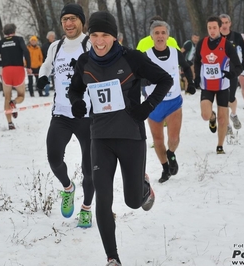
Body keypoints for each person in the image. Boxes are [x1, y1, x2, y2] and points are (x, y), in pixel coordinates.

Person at [68, 11, 173, 266]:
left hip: (130, 136)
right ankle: (112, 258)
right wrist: (76, 104)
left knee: (134, 201)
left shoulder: (132, 58)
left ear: (115, 37)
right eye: (94, 35)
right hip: (100, 137)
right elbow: (74, 90)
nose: (99, 41)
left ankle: (143, 187)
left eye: (105, 35)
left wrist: (147, 107)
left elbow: (165, 80)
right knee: (103, 199)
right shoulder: (84, 61)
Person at [36, 3, 95, 228]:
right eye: (65, 20)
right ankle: (68, 188)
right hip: (61, 113)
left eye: (73, 19)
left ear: (82, 21)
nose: (69, 23)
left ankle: (87, 208)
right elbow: (46, 65)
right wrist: (43, 77)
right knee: (53, 158)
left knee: (90, 169)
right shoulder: (56, 46)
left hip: (87, 115)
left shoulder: (90, 43)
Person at [145, 20, 195, 183]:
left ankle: (171, 153)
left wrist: (191, 83)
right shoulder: (146, 56)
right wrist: (144, 83)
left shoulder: (175, 52)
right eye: (157, 33)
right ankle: (165, 168)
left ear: (167, 35)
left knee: (173, 139)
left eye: (163, 33)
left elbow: (186, 67)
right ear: (152, 36)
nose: (160, 36)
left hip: (173, 101)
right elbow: (137, 76)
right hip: (153, 104)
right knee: (158, 140)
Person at [194, 16, 242, 154]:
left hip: (222, 86)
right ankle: (211, 117)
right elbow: (197, 61)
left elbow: (238, 65)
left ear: (220, 28)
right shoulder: (202, 43)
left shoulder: (226, 44)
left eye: (215, 28)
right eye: (210, 28)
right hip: (207, 85)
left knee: (223, 119)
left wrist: (232, 74)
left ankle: (220, 146)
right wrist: (197, 77)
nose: (212, 30)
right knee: (205, 115)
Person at [0, 23, 31, 130]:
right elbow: (26, 51)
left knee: (6, 98)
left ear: (4, 32)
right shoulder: (19, 39)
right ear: (14, 31)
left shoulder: (0, 43)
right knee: (21, 95)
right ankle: (14, 102)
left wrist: (3, 64)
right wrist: (28, 66)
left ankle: (10, 123)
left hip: (7, 71)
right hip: (18, 69)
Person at [219, 14, 244, 135]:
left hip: (232, 72)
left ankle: (233, 114)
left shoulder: (236, 36)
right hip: (219, 73)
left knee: (231, 98)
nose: (224, 25)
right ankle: (227, 125)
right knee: (223, 100)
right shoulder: (215, 37)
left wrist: (243, 62)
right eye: (222, 23)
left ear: (230, 24)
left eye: (226, 23)